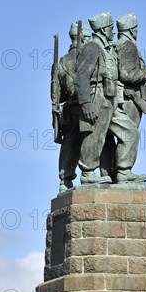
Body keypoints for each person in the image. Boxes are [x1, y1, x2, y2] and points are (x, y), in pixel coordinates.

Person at [102, 13, 146, 184]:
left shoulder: (118, 45)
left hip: (123, 99)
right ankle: (124, 171)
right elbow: (126, 74)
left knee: (117, 138)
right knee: (129, 135)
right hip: (130, 100)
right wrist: (145, 72)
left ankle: (112, 172)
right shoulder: (128, 46)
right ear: (133, 30)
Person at [74, 12, 117, 185]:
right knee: (94, 134)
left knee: (107, 137)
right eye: (111, 28)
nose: (113, 32)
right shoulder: (92, 47)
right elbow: (81, 76)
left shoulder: (107, 48)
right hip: (96, 96)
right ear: (103, 29)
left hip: (109, 97)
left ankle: (111, 171)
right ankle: (88, 172)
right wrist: (86, 103)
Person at [57, 22, 92, 193]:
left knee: (70, 145)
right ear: (83, 37)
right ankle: (91, 173)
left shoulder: (61, 62)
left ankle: (65, 179)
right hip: (86, 108)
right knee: (90, 141)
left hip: (69, 109)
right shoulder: (86, 57)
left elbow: (57, 95)